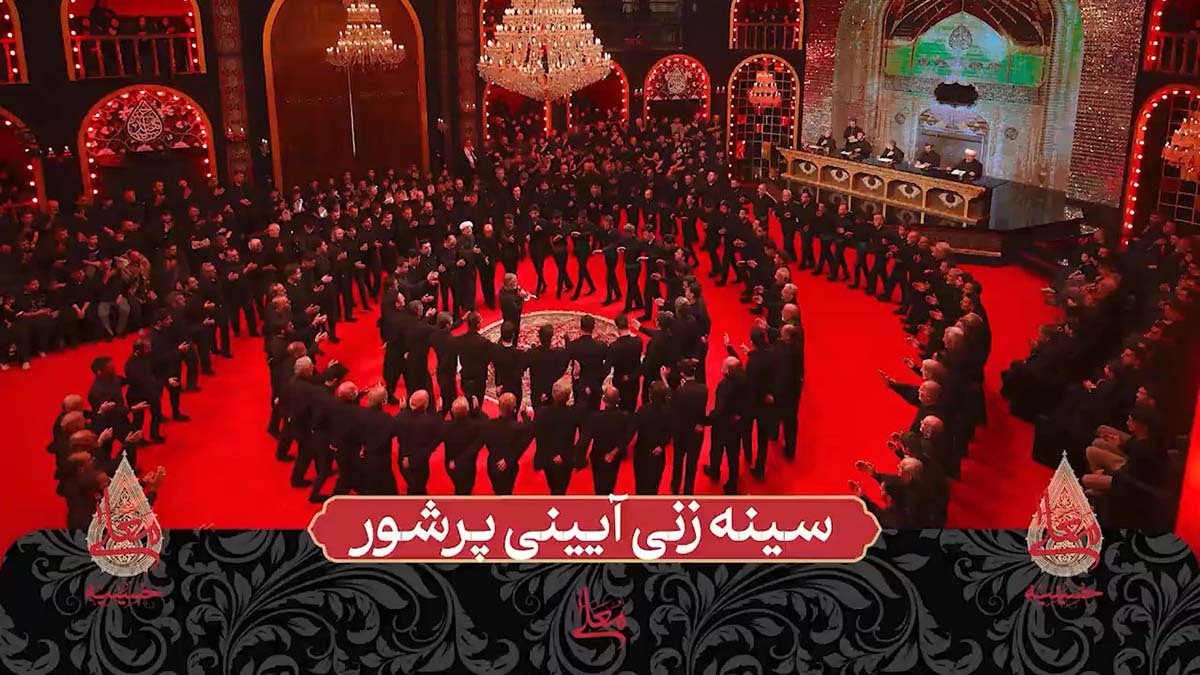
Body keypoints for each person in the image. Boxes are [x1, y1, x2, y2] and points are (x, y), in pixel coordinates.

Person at [705, 356, 747, 495]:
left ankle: (714, 471)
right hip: (736, 425)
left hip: (722, 425)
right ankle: (732, 483)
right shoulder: (744, 379)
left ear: (728, 371)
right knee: (733, 455)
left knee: (716, 450)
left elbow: (719, 410)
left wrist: (705, 420)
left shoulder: (725, 386)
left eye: (723, 366)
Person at [480, 393, 536, 495]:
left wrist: (476, 410)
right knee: (507, 491)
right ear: (514, 409)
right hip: (510, 467)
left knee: (497, 490)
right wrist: (524, 414)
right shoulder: (518, 428)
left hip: (493, 464)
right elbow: (530, 430)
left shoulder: (489, 425)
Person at [533, 380, 582, 495]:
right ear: (568, 397)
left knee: (553, 486)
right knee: (561, 489)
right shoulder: (573, 414)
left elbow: (541, 437)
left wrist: (553, 454)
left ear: (553, 395)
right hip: (566, 457)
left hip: (548, 457)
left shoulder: (542, 413)